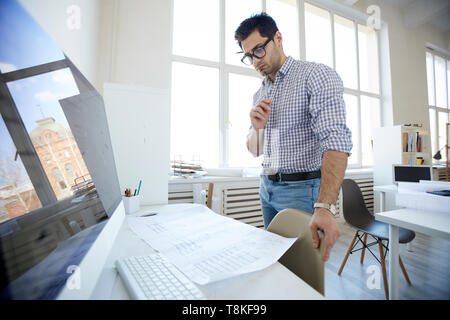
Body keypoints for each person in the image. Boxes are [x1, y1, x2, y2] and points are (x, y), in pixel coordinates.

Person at [235, 13, 352, 262]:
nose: (255, 61)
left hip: (302, 190)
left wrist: (324, 207)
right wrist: (257, 128)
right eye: (248, 56)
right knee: (277, 263)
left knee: (303, 270)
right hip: (267, 188)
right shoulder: (259, 93)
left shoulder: (315, 75)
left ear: (277, 38)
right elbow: (255, 150)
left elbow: (336, 141)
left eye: (258, 50)